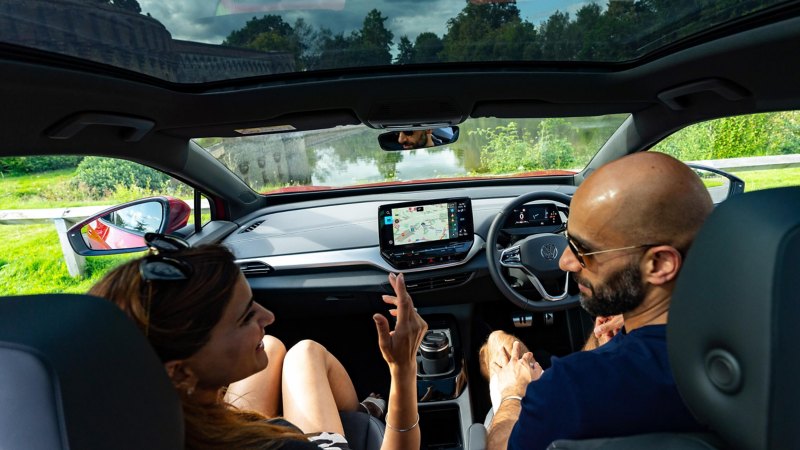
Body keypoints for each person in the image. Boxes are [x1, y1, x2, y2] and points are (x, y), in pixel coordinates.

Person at [88, 241, 427, 450]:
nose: (268, 316)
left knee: (287, 347)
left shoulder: (116, 422)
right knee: (306, 353)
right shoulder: (277, 446)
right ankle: (367, 417)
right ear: (179, 373)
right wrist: (403, 368)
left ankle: (365, 412)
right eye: (246, 316)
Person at [481, 152, 715, 449]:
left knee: (496, 342)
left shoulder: (568, 390)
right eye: (566, 239)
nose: (565, 262)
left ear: (658, 265)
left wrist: (513, 395)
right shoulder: (758, 328)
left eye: (582, 249)